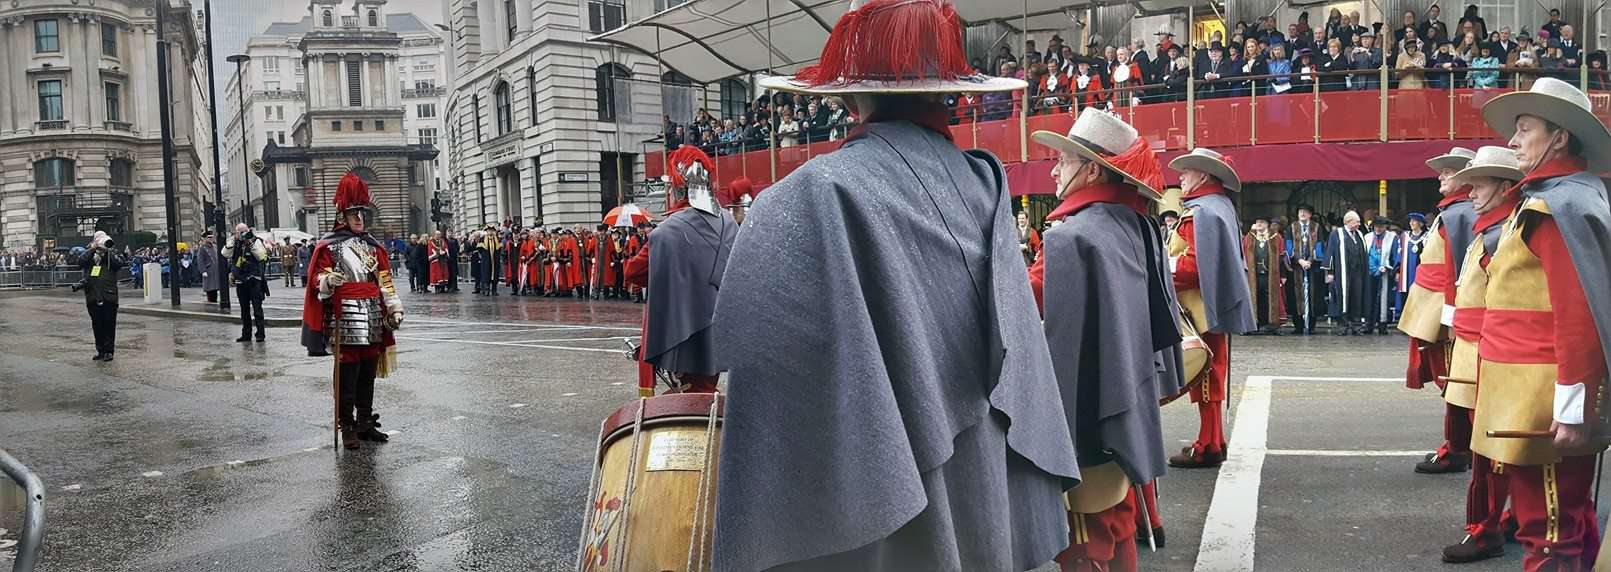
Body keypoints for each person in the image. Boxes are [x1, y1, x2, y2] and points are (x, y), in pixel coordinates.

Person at [713, 0, 1081, 567]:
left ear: (846, 95)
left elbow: (774, 393)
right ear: (949, 89)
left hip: (882, 499)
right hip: (984, 483)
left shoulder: (806, 197)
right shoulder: (987, 183)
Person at [1464, 77, 1611, 569]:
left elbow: (1579, 311)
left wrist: (1574, 407)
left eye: (1524, 128)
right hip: (1527, 393)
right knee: (1567, 521)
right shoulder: (1554, 197)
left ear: (1560, 137)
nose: (1512, 140)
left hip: (1541, 398)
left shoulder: (1557, 204)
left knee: (1549, 533)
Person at [1029, 110, 1185, 568]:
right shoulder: (1136, 223)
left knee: (1083, 536)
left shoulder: (1072, 237)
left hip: (1085, 410)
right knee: (1118, 518)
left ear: (1092, 169)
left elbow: (1025, 302)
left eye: (1062, 160)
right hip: (1129, 394)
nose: (1054, 170)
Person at [1435, 146, 1525, 563]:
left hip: (1491, 351)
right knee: (1483, 443)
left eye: (1480, 184)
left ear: (1505, 188)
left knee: (1489, 447)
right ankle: (1505, 518)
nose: (1470, 192)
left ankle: (1489, 526)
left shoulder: (1501, 233)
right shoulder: (1487, 229)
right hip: (1475, 347)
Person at [621, 145, 737, 395]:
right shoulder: (729, 222)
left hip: (682, 332)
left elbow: (633, 273)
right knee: (707, 390)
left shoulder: (666, 231)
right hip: (721, 327)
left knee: (687, 399)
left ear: (678, 186)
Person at [1166, 148, 1256, 469]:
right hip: (1212, 304)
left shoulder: (1199, 212)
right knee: (1214, 373)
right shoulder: (1220, 207)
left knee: (1204, 374)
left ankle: (1206, 444)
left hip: (1199, 309)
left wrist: (1161, 266)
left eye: (1186, 173)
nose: (1180, 178)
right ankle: (1214, 439)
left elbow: (1192, 267)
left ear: (1203, 176)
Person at [300, 172, 403, 450]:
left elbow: (384, 280)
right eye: (354, 213)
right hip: (344, 317)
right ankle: (346, 425)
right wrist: (327, 281)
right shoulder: (329, 246)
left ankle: (365, 422)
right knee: (348, 375)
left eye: (362, 213)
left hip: (372, 317)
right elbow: (315, 280)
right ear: (342, 215)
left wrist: (393, 307)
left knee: (368, 372)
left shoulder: (374, 246)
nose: (359, 218)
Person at [1400, 147, 1478, 473]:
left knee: (1457, 383)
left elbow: (1457, 272)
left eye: (1448, 171)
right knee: (1454, 383)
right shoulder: (1452, 212)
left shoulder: (1459, 214)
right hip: (1434, 305)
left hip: (1445, 311)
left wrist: (1450, 318)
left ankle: (1459, 448)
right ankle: (1459, 446)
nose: (1441, 176)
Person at [78, 232, 125, 362]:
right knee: (97, 324)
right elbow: (79, 261)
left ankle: (109, 351)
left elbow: (120, 263)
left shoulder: (113, 252)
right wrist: (92, 249)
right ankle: (100, 350)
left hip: (109, 295)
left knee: (109, 324)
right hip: (92, 294)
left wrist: (108, 252)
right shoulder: (90, 253)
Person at [223, 223, 269, 343]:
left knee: (257, 309)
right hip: (241, 280)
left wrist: (250, 243)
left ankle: (260, 334)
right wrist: (232, 240)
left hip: (254, 280)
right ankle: (246, 334)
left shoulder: (256, 241)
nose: (243, 234)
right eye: (240, 232)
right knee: (244, 310)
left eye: (244, 231)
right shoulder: (235, 243)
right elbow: (225, 254)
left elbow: (261, 257)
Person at [1326, 211, 1368, 335]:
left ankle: (1356, 325)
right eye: (1357, 222)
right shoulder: (1336, 234)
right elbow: (1330, 253)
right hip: (1342, 272)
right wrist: (1330, 272)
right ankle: (1343, 326)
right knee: (1343, 298)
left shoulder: (1359, 234)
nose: (1359, 224)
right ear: (1348, 221)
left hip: (1358, 273)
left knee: (1357, 297)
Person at [1244, 217, 1287, 335]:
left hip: (1271, 275)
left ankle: (1273, 325)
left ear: (1267, 225)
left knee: (1271, 298)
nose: (1259, 224)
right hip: (1254, 275)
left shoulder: (1276, 238)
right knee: (1255, 298)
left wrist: (1283, 275)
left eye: (1262, 222)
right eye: (1257, 222)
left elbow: (1282, 257)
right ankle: (1254, 324)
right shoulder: (1249, 238)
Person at [1364, 217, 1401, 334]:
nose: (1378, 229)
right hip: (1369, 272)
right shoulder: (1368, 237)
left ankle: (1382, 324)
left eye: (1381, 226)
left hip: (1385, 272)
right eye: (1376, 226)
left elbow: (1395, 255)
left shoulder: (1392, 237)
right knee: (1369, 297)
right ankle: (1368, 324)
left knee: (1383, 298)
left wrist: (1389, 267)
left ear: (1386, 227)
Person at [1397, 212, 1427, 315]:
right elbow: (1399, 255)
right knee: (1405, 296)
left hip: (1420, 273)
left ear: (1421, 224)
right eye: (1411, 221)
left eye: (1414, 221)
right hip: (1406, 274)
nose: (1411, 223)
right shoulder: (1404, 237)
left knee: (1419, 296)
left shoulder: (1426, 238)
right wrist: (1397, 271)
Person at [197, 231, 222, 303]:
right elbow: (200, 260)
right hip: (208, 271)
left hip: (215, 271)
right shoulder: (202, 248)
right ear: (205, 238)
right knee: (210, 289)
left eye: (212, 237)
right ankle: (211, 304)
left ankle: (214, 302)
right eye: (209, 237)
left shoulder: (214, 246)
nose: (211, 238)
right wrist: (203, 271)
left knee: (215, 289)